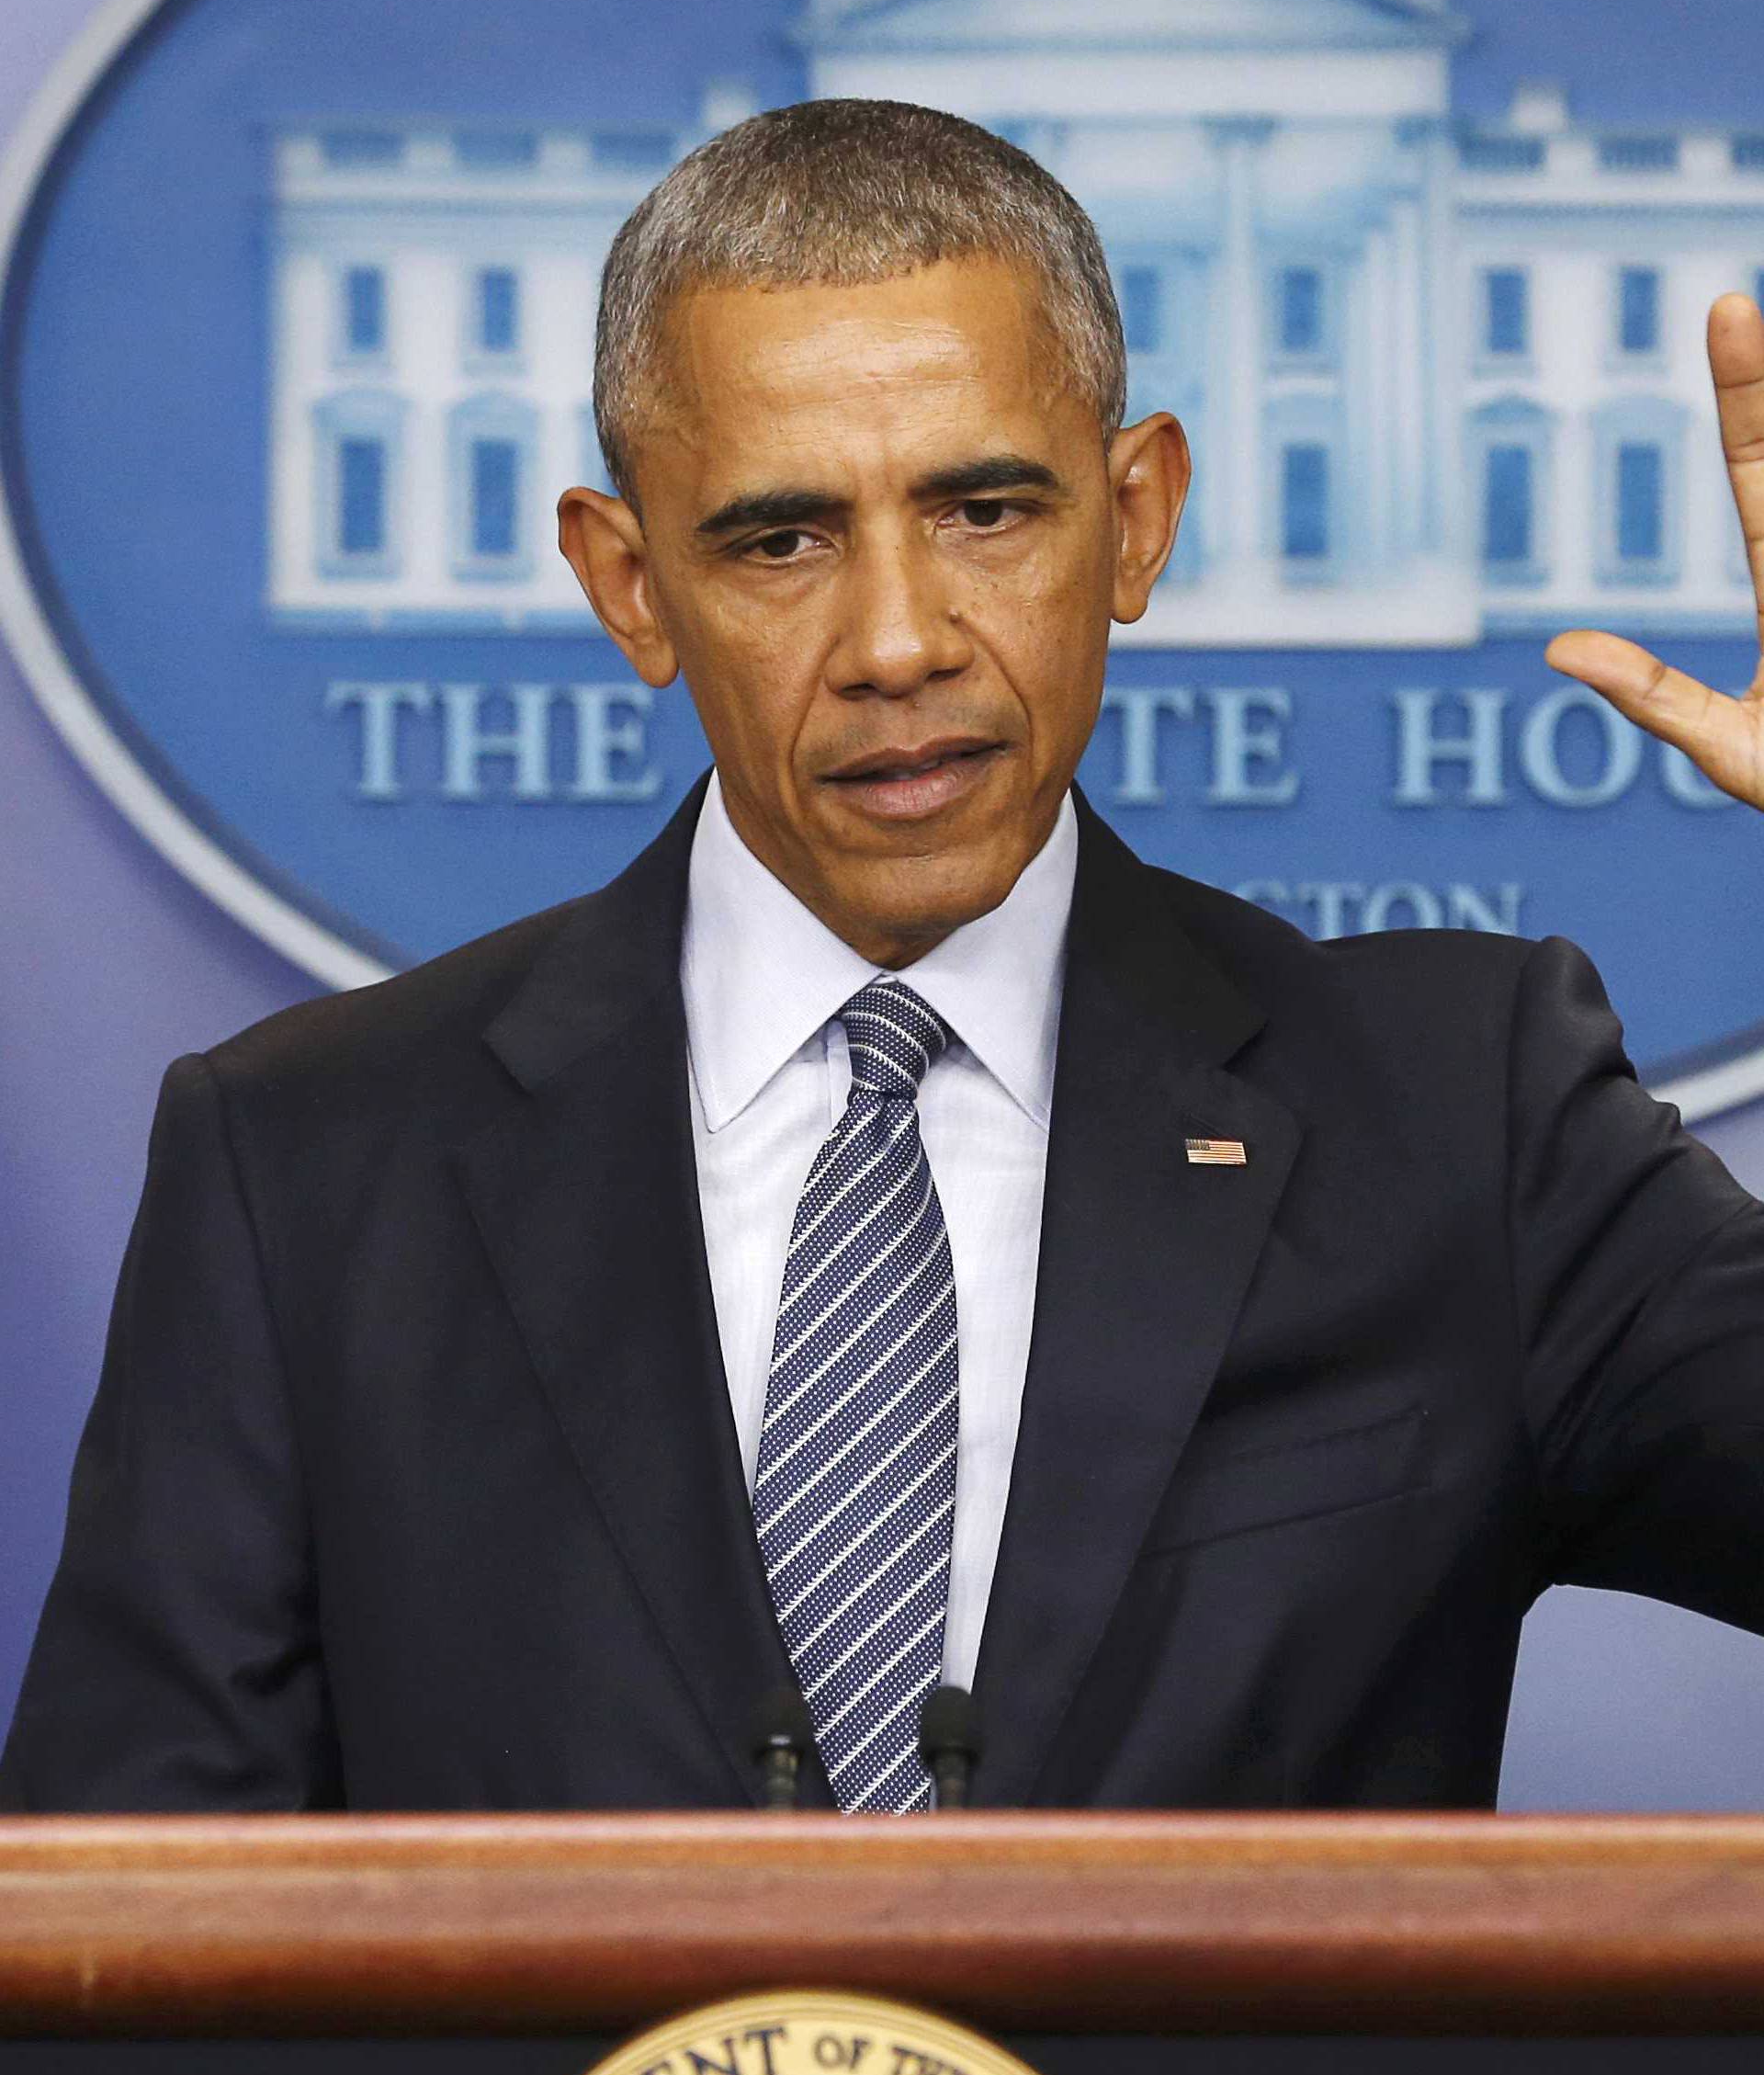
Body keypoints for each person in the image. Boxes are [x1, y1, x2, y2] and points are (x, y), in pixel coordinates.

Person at [7, 97, 1764, 1814]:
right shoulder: (312, 1165)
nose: (900, 639)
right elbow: (125, 1966)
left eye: (988, 512)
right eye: (781, 540)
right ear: (627, 586)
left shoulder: (1466, 1118)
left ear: (1137, 516)